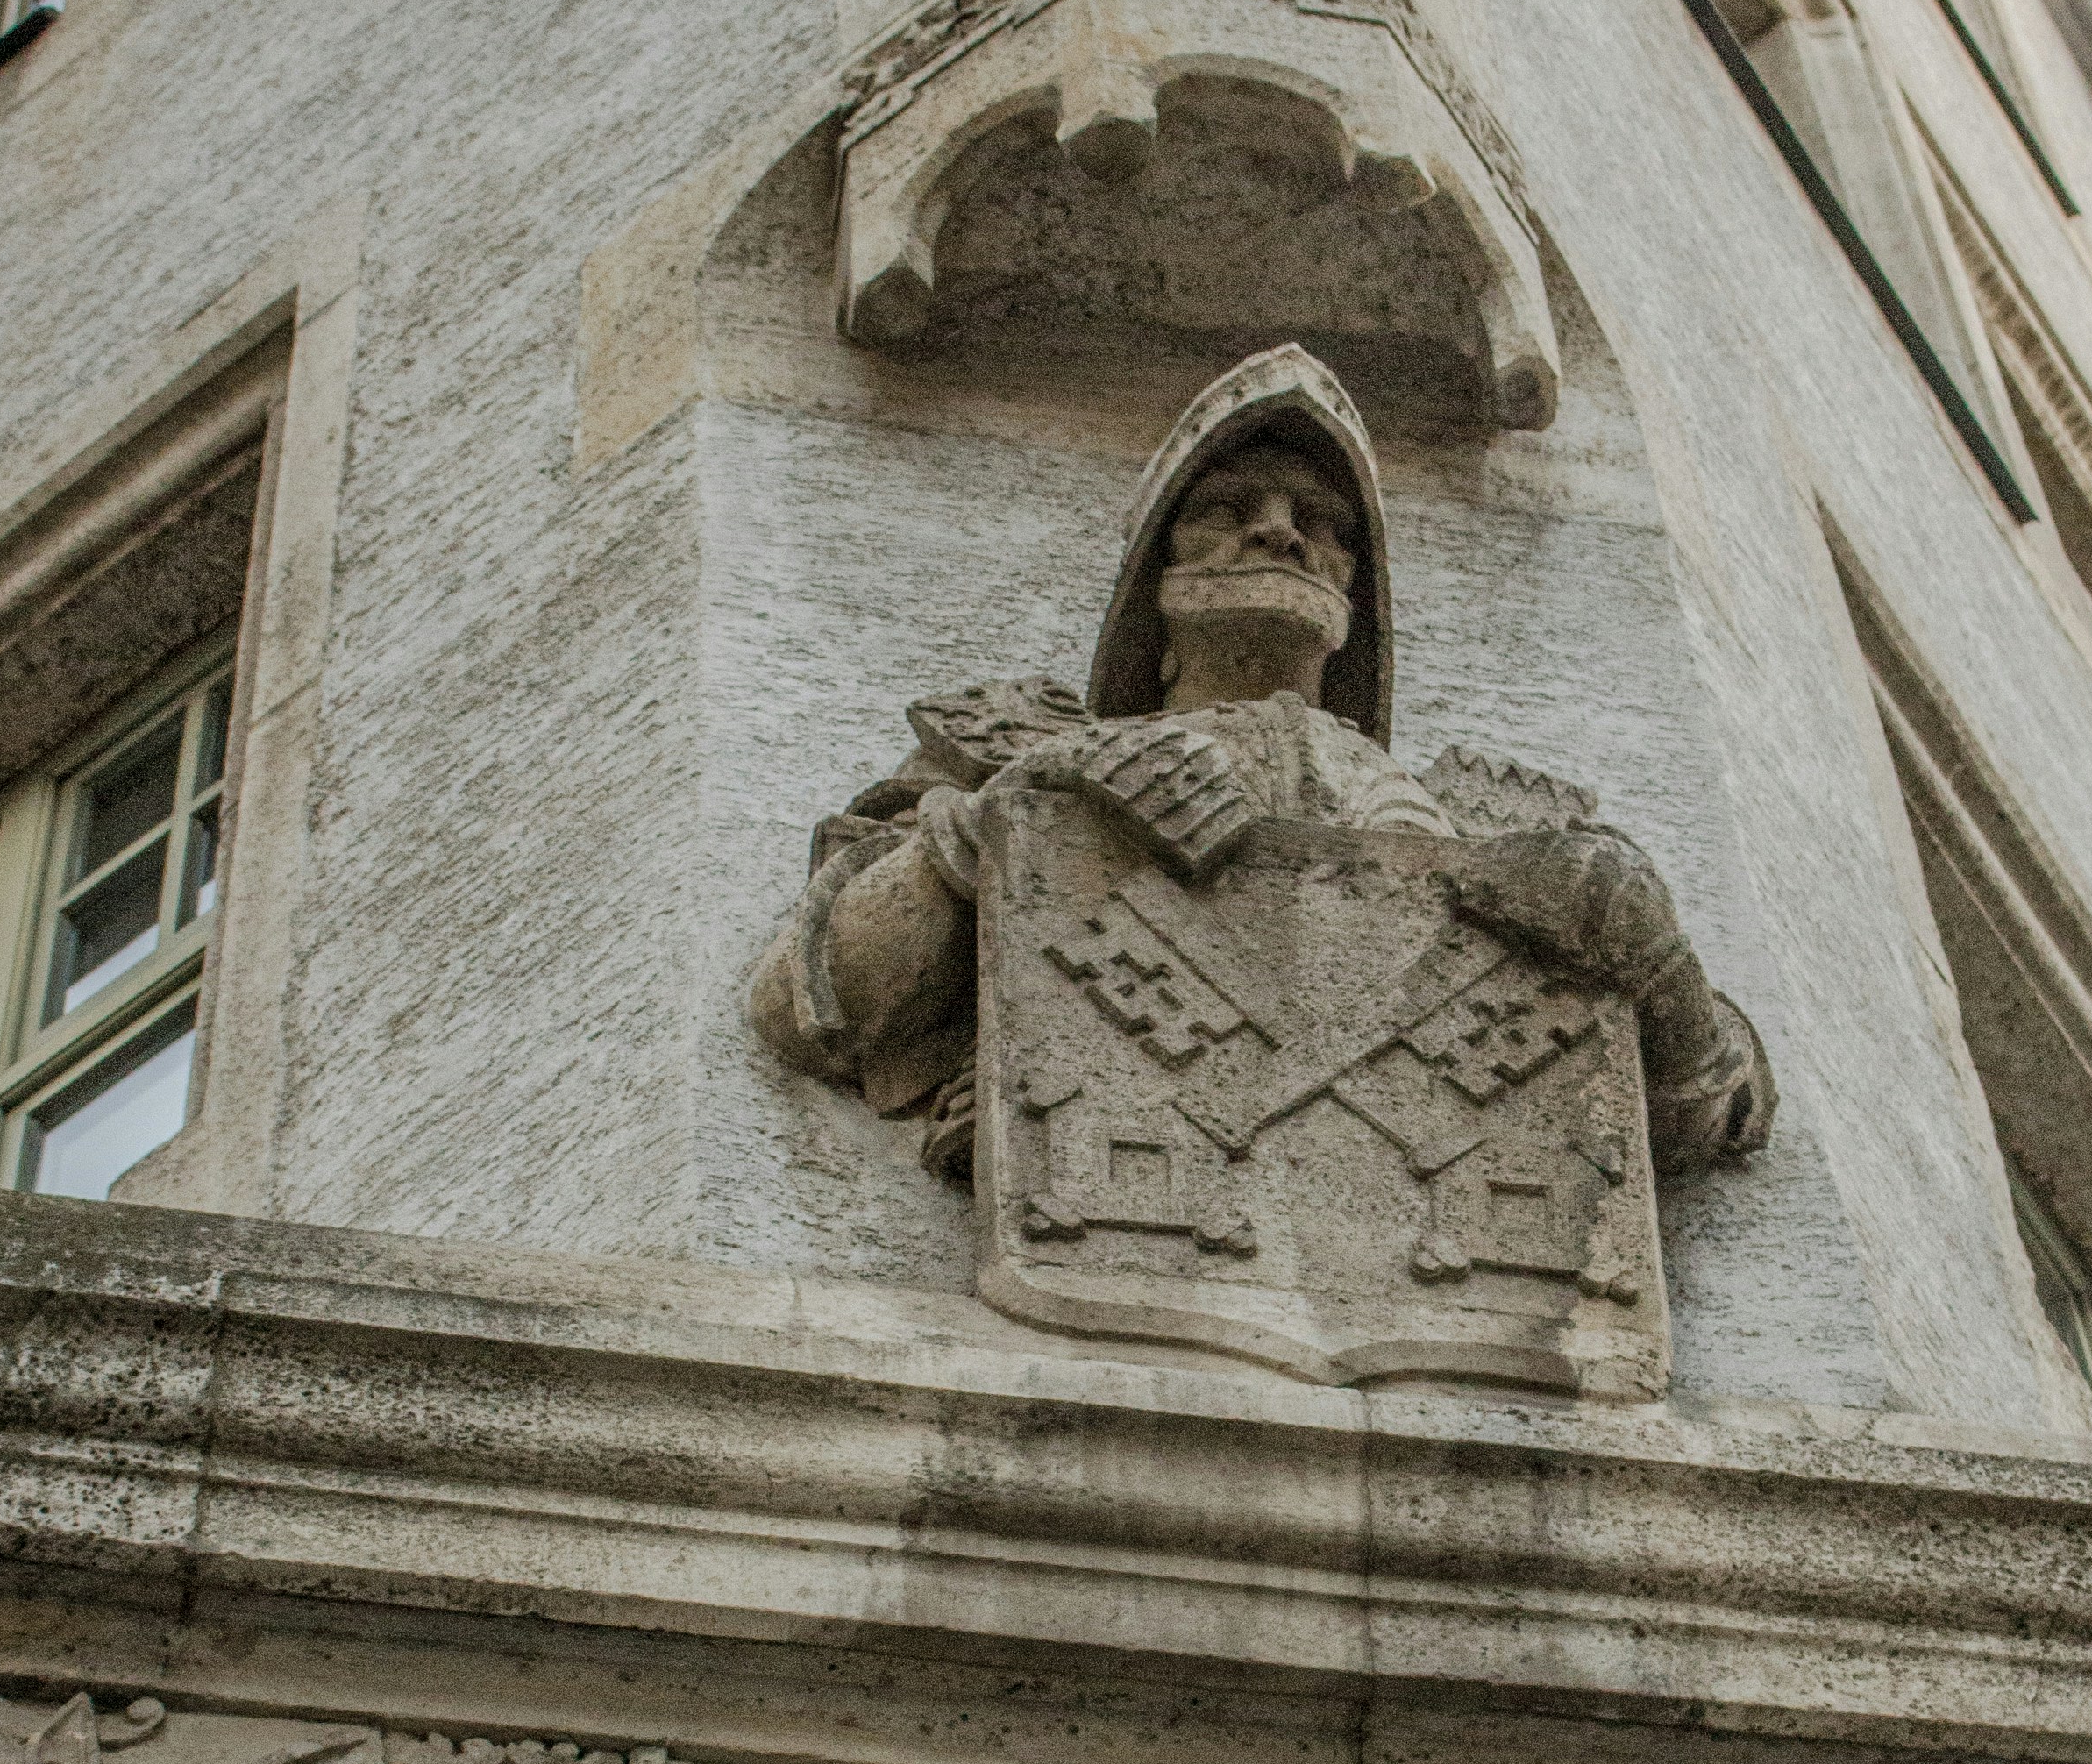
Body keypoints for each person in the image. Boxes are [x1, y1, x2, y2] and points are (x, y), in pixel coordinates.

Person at [751, 349, 1770, 1186]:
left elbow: (1709, 1118)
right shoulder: (1013, 760)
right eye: (1229, 505)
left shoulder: (1489, 823)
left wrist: (1656, 966)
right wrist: (1012, 822)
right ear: (1158, 575)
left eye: (1323, 526)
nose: (1280, 531)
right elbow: (812, 1000)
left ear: (1353, 599)